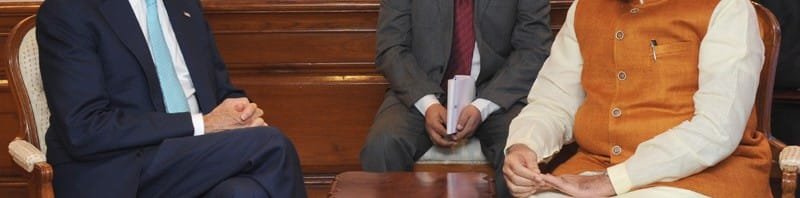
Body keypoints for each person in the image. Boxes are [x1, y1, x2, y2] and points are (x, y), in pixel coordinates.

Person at [37, 0, 306, 197]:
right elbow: (85, 129)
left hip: (192, 160)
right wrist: (204, 124)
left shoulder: (184, 6)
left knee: (245, 193)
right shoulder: (70, 9)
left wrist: (241, 113)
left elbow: (220, 90)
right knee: (272, 143)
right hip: (119, 166)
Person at [502, 0, 771, 197]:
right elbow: (554, 102)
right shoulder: (584, 8)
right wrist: (525, 145)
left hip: (703, 175)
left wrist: (613, 181)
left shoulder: (728, 7)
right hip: (595, 167)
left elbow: (717, 128)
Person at [359, 0, 553, 197]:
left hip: (496, 91)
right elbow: (391, 48)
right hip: (421, 86)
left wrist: (483, 106)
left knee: (519, 152)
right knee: (383, 144)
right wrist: (428, 104)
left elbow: (533, 48)